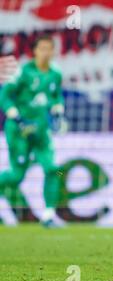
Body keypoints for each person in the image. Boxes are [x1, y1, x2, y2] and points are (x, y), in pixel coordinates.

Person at [0, 35, 67, 227]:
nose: (46, 52)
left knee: (52, 169)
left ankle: (48, 216)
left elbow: (56, 96)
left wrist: (57, 109)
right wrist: (14, 114)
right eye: (42, 48)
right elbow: (4, 96)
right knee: (15, 177)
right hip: (19, 130)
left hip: (41, 131)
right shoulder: (22, 72)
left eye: (49, 48)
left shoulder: (55, 73)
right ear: (35, 51)